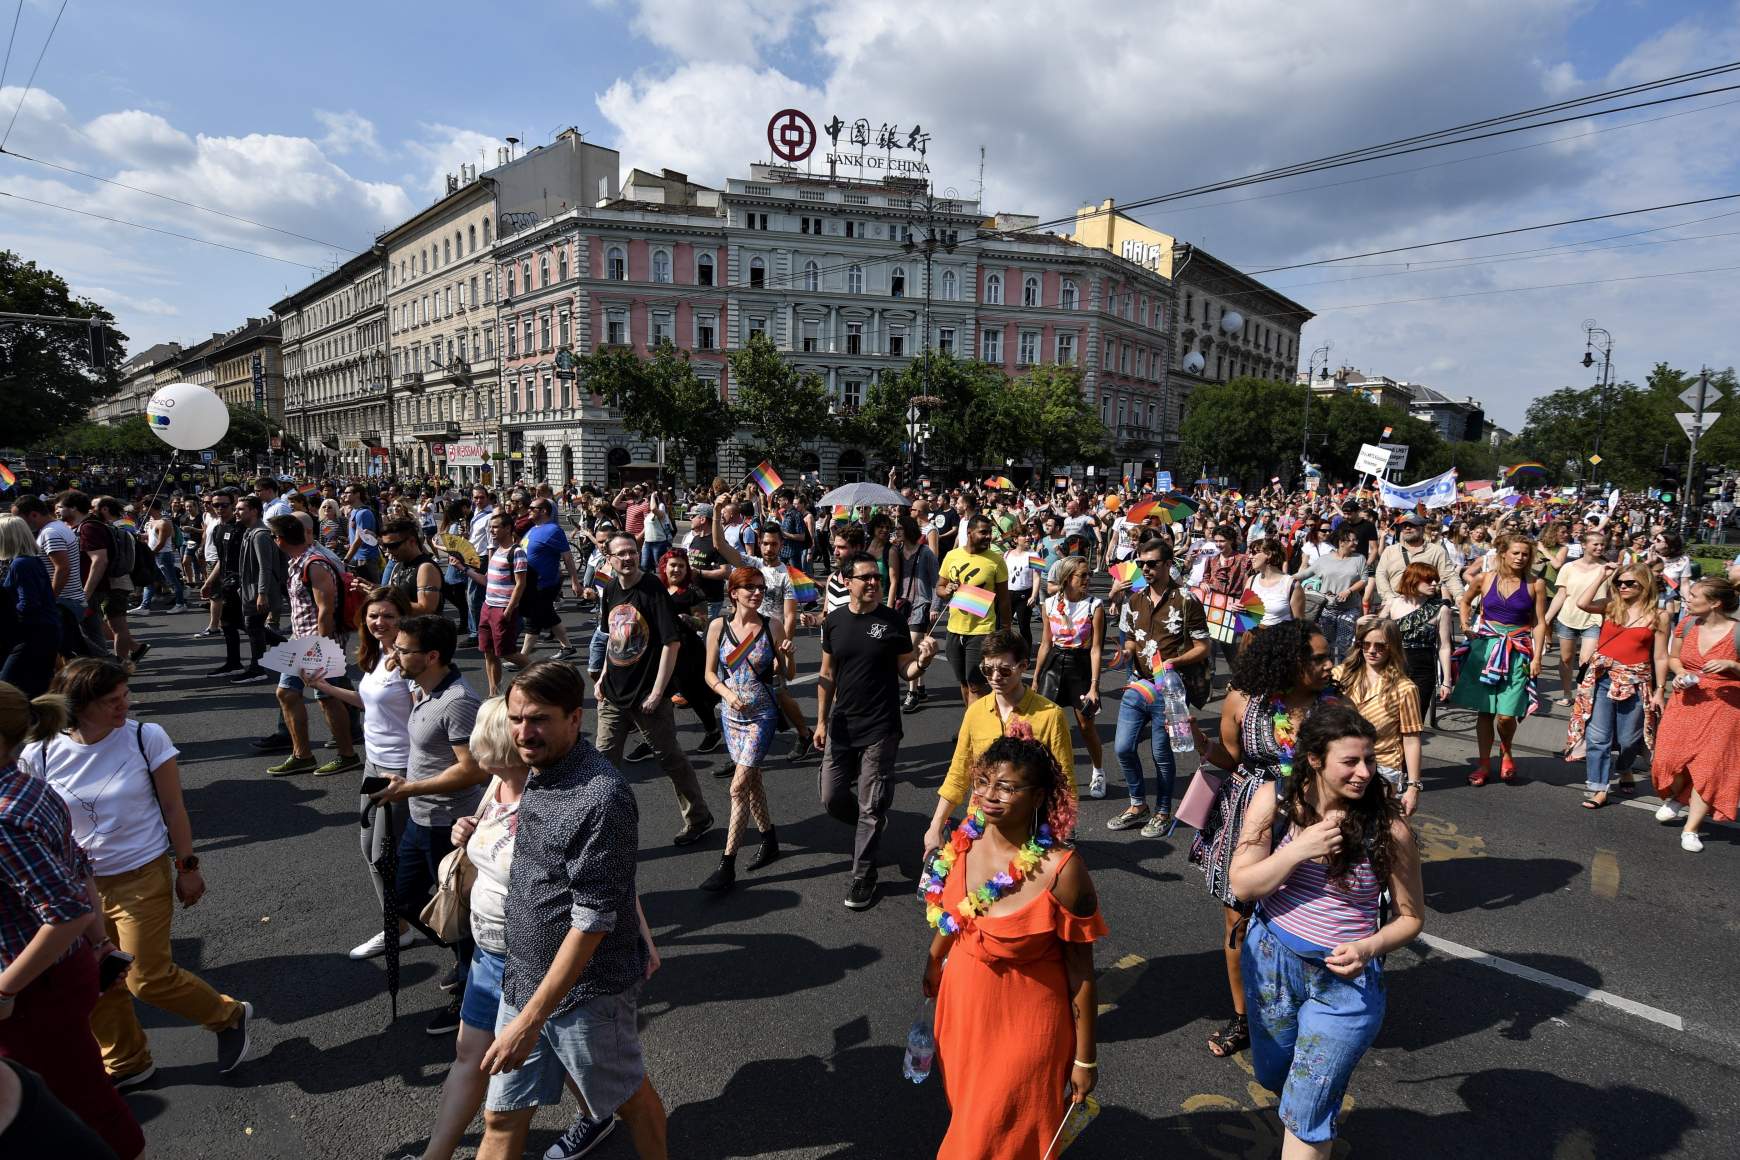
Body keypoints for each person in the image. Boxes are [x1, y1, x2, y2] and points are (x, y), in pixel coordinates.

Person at [477, 663, 670, 1160]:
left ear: (574, 719)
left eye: (539, 719)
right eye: (516, 718)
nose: (524, 732)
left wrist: (529, 1021)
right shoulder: (540, 770)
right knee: (501, 1116)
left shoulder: (600, 796)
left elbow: (593, 917)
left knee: (628, 1102)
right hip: (523, 981)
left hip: (588, 993)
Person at [29, 658, 252, 1085]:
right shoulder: (39, 752)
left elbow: (173, 807)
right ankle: (127, 1062)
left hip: (140, 875)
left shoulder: (144, 736)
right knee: (97, 978)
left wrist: (187, 866)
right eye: (112, 701)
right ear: (79, 706)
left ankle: (228, 1015)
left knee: (146, 979)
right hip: (75, 887)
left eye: (125, 696)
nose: (124, 706)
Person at [1226, 704, 1424, 1160]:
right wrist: (1301, 849)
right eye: (1350, 762)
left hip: (1344, 987)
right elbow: (1242, 883)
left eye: (1370, 761)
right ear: (1315, 759)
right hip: (1272, 962)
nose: (1364, 773)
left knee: (1307, 1106)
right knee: (1276, 1076)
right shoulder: (1275, 802)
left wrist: (1369, 946)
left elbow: (1412, 918)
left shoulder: (1389, 829)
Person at [922, 729, 1104, 1160]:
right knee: (969, 1115)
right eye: (983, 781)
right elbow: (958, 916)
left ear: (1038, 795)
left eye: (1007, 786)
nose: (989, 795)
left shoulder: (1064, 871)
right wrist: (933, 960)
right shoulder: (962, 843)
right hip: (963, 1011)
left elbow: (1082, 973)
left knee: (984, 1138)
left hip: (1028, 1026)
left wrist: (1085, 1059)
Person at [0, 680, 146, 1159]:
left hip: (35, 990)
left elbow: (64, 911)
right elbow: (78, 865)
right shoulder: (28, 786)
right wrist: (101, 942)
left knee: (80, 1099)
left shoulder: (4, 813)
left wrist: (5, 989)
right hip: (61, 971)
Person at [1189, 621, 1339, 1059]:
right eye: (1318, 658)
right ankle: (1244, 1017)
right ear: (1289, 662)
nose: (1329, 664)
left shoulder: (1333, 706)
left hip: (1311, 823)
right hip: (1247, 820)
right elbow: (1231, 758)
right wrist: (1203, 746)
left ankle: (1307, 1008)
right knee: (1238, 922)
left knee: (1304, 919)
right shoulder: (1242, 699)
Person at [364, 614, 486, 1032]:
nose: (394, 654)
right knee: (401, 897)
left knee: (460, 909)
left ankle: (475, 991)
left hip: (449, 824)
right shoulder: (424, 687)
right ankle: (466, 960)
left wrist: (408, 790)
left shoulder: (458, 702)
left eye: (403, 649)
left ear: (431, 655)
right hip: (421, 817)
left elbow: (473, 770)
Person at [813, 551, 939, 910]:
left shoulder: (893, 621)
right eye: (865, 577)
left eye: (877, 578)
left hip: (881, 727)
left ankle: (863, 875)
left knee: (870, 806)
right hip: (842, 726)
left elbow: (907, 671)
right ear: (846, 581)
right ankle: (872, 825)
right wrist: (821, 721)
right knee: (832, 797)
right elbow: (827, 675)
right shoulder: (834, 621)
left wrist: (924, 661)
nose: (872, 583)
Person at [304, 587, 419, 958]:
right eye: (373, 616)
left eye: (388, 615)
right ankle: (400, 923)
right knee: (369, 848)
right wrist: (324, 686)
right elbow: (368, 702)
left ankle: (402, 926)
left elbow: (427, 714)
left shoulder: (409, 663)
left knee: (384, 854)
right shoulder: (376, 656)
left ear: (403, 618)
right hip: (374, 762)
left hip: (399, 768)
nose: (379, 622)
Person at [592, 532, 713, 846]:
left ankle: (698, 817)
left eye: (632, 551)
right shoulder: (610, 589)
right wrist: (602, 678)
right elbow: (613, 638)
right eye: (621, 554)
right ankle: (601, 827)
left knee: (670, 758)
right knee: (602, 762)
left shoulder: (652, 589)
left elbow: (670, 642)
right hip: (614, 693)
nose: (628, 558)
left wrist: (659, 692)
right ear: (610, 558)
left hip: (647, 694)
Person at [923, 628, 1073, 860]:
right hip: (982, 825)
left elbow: (1063, 782)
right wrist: (935, 826)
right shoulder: (975, 713)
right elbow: (958, 773)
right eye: (987, 670)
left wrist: (1058, 832)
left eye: (1004, 670)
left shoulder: (1050, 715)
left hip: (1028, 831)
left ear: (1023, 666)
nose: (994, 678)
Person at [698, 566, 795, 892]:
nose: (756, 593)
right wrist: (727, 695)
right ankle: (769, 838)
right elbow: (710, 675)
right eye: (749, 588)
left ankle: (727, 865)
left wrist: (788, 657)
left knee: (737, 787)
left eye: (760, 588)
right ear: (733, 592)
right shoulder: (718, 627)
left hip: (762, 716)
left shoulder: (773, 626)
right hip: (731, 717)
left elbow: (788, 676)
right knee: (752, 782)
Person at [1109, 537, 1211, 829]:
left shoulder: (1187, 599)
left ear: (1168, 564)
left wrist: (1174, 662)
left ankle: (1163, 812)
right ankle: (1138, 804)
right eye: (1141, 564)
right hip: (1138, 683)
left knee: (1160, 752)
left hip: (1171, 688)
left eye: (1152, 563)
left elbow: (1203, 647)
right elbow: (1128, 636)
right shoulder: (1134, 599)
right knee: (1123, 748)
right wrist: (1127, 651)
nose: (1145, 569)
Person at [264, 515, 361, 776]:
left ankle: (347, 755)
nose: (273, 540)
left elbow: (326, 610)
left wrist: (320, 649)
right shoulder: (299, 561)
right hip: (301, 640)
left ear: (280, 539)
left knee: (327, 697)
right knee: (286, 693)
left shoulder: (315, 564)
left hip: (317, 642)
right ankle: (302, 755)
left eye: (274, 536)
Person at [1563, 562, 1666, 809]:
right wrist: (1601, 575)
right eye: (1620, 583)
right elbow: (1582, 603)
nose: (1624, 587)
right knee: (1599, 737)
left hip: (1636, 682)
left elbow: (1661, 656)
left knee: (1630, 738)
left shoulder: (1659, 616)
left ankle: (1625, 767)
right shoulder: (1610, 608)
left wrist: (1660, 690)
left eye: (1630, 583)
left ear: (1645, 584)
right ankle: (1598, 787)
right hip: (1603, 678)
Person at [1650, 576, 1740, 852]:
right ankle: (1678, 795)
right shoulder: (1687, 624)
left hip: (1724, 709)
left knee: (1710, 768)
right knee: (1669, 758)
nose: (1687, 600)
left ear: (1714, 603)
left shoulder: (1737, 633)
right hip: (1685, 702)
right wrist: (1680, 674)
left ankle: (1691, 829)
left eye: (1694, 596)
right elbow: (1674, 658)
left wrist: (1731, 665)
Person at [1451, 533, 1547, 786]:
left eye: (1525, 554)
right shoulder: (1485, 578)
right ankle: (1484, 763)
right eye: (1516, 552)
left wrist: (1538, 656)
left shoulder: (1535, 584)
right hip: (1486, 647)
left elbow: (1539, 622)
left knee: (1506, 714)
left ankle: (1506, 750)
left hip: (1517, 650)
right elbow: (1465, 600)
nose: (1520, 558)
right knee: (1485, 711)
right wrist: (1464, 623)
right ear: (1503, 553)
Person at [1334, 617, 1425, 817]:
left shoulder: (1405, 688)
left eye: (1380, 646)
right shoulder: (1340, 676)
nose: (1372, 650)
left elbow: (1411, 740)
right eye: (1365, 644)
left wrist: (1413, 787)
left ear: (1392, 648)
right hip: (1340, 763)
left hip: (1381, 768)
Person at [1033, 556, 1106, 794]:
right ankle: (1046, 774)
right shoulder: (1050, 604)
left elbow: (1096, 649)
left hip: (1080, 665)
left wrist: (1095, 686)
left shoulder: (1095, 605)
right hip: (1054, 663)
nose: (1088, 579)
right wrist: (1035, 677)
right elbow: (1045, 643)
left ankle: (1098, 772)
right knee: (1044, 724)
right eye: (1082, 575)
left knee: (1085, 725)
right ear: (1067, 579)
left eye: (1088, 575)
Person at [933, 514, 1010, 707]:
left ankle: (975, 732)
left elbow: (1004, 600)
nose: (988, 537)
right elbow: (939, 587)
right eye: (983, 532)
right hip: (954, 629)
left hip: (982, 631)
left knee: (976, 683)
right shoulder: (952, 556)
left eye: (990, 533)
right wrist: (947, 590)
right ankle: (972, 723)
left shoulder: (996, 561)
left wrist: (1006, 630)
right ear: (969, 533)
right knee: (964, 682)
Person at [1545, 529, 1614, 706]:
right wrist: (1547, 618)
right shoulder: (1569, 567)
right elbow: (1561, 594)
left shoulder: (1607, 569)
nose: (1600, 547)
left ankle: (1584, 694)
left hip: (1594, 619)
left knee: (1586, 659)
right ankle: (1567, 693)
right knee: (1566, 659)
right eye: (1596, 544)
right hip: (1568, 618)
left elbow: (1613, 596)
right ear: (1584, 545)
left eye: (1602, 545)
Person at [1381, 562, 1454, 717]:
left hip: (1423, 670)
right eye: (1429, 580)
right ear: (1413, 580)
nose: (1434, 584)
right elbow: (1375, 634)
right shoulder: (1392, 604)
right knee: (1389, 719)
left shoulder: (1441, 608)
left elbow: (1444, 647)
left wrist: (1446, 681)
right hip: (1393, 667)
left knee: (1414, 720)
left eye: (1435, 580)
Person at [231, 495, 287, 685]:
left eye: (240, 509)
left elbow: (265, 567)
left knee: (253, 626)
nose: (236, 512)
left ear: (254, 511)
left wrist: (262, 594)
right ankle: (279, 645)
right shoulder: (250, 531)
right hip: (251, 589)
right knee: (252, 626)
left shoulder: (260, 535)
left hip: (258, 591)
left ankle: (257, 668)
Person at [0, 516, 58, 698]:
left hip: (32, 633)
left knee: (9, 686)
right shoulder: (30, 560)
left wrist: (9, 619)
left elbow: (28, 603)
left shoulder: (21, 564)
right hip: (44, 630)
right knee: (36, 688)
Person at [518, 498, 581, 662]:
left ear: (544, 511)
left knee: (533, 619)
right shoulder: (533, 528)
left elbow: (567, 558)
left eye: (532, 508)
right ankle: (567, 647)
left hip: (544, 584)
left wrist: (575, 580)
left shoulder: (554, 530)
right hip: (530, 583)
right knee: (548, 615)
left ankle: (522, 657)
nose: (529, 510)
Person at [1295, 526, 1366, 661]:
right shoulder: (1325, 559)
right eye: (1352, 540)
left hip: (1349, 609)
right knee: (1326, 643)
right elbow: (1305, 574)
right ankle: (1327, 674)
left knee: (1342, 645)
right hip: (1327, 608)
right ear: (1341, 542)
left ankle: (1339, 673)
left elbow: (1364, 580)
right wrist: (1284, 579)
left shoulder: (1359, 558)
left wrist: (1349, 590)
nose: (1356, 543)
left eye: (1356, 540)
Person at [896, 514, 940, 713]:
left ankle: (912, 692)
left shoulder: (926, 553)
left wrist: (935, 606)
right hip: (902, 604)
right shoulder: (896, 551)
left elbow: (937, 581)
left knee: (911, 646)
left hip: (921, 604)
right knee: (917, 646)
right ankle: (920, 685)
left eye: (899, 529)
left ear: (909, 531)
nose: (896, 532)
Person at [381, 517, 444, 617]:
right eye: (385, 546)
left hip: (422, 631)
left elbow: (427, 610)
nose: (388, 551)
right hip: (403, 630)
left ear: (412, 541)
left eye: (393, 546)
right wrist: (375, 591)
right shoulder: (398, 565)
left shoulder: (426, 568)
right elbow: (394, 595)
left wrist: (388, 602)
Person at [1247, 536, 1303, 625]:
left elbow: (1299, 623)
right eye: (1249, 553)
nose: (1250, 557)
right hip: (1252, 635)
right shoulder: (1251, 580)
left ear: (1268, 554)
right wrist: (1237, 610)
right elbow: (1246, 616)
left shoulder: (1291, 585)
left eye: (1254, 553)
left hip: (1277, 637)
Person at [344, 483, 382, 583]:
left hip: (366, 559)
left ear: (357, 494)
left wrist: (346, 559)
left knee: (372, 590)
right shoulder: (353, 511)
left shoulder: (363, 513)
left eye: (348, 493)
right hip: (357, 558)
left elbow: (359, 538)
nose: (344, 495)